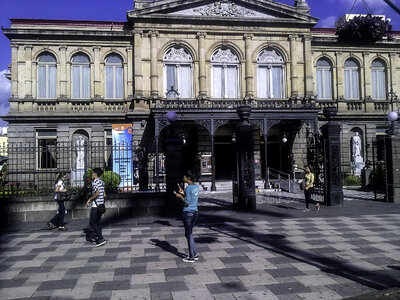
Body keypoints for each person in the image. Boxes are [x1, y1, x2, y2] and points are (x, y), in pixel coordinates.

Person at [174, 171, 199, 263]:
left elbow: (187, 203)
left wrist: (180, 197)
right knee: (189, 234)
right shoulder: (196, 187)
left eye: (184, 177)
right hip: (195, 212)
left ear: (188, 178)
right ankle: (194, 253)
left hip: (188, 213)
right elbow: (191, 198)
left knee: (188, 234)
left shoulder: (188, 188)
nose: (183, 178)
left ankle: (191, 256)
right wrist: (183, 193)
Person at [86, 168, 107, 247]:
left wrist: (89, 199)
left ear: (95, 174)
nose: (91, 175)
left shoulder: (95, 182)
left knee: (92, 222)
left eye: (92, 173)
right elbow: (104, 195)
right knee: (98, 222)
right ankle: (99, 237)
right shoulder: (101, 182)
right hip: (101, 205)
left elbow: (97, 193)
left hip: (96, 205)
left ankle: (101, 238)